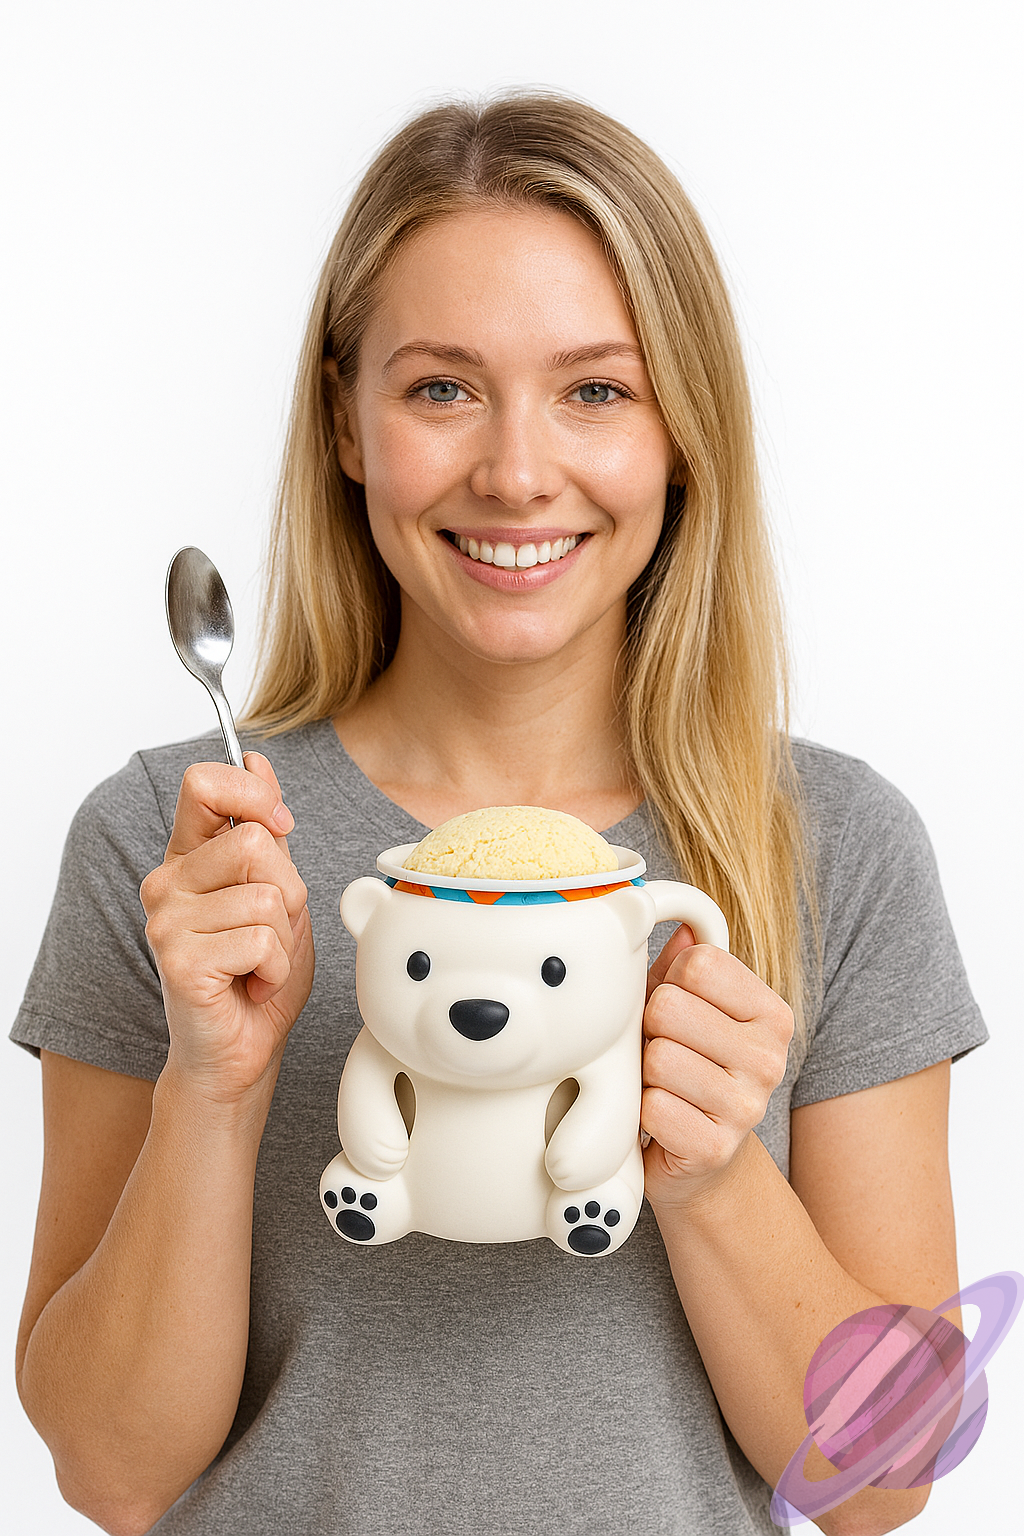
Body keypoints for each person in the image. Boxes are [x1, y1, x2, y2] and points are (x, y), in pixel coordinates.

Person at [12, 93, 986, 1536]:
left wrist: (715, 1180)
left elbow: (882, 1483)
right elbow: (112, 1472)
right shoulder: (180, 841)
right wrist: (209, 1096)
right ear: (348, 420)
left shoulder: (833, 846)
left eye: (596, 390)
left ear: (681, 433)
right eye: (441, 388)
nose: (518, 471)